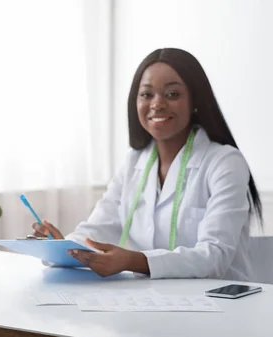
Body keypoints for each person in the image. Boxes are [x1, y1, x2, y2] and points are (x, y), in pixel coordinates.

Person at [32, 48, 263, 282]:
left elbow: (215, 256)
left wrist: (133, 261)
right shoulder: (134, 162)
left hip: (221, 304)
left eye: (172, 94)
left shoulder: (225, 163)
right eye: (146, 94)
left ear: (195, 101)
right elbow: (98, 228)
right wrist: (64, 248)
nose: (158, 104)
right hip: (153, 300)